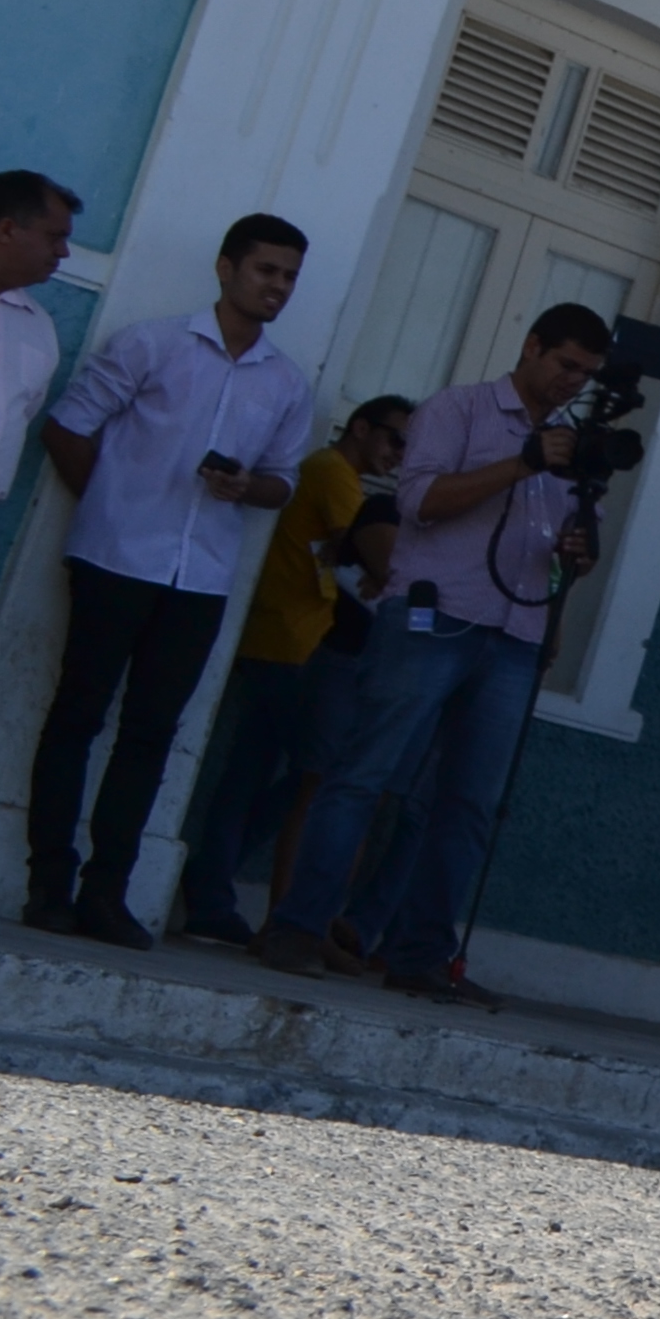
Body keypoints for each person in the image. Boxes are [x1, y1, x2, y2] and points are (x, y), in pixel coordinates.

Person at [261, 304, 608, 1002]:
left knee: (469, 802)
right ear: (532, 345)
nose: (574, 382)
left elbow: (565, 549)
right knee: (364, 773)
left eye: (588, 374)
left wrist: (579, 551)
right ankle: (297, 927)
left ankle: (420, 956)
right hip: (433, 617)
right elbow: (418, 501)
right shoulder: (459, 410)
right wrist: (521, 463)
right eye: (567, 364)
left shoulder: (572, 445)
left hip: (514, 635)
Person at [25, 215, 316, 947]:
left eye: (289, 276)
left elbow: (283, 483)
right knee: (76, 718)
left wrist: (247, 488)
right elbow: (66, 425)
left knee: (152, 736)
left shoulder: (285, 382)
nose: (277, 286)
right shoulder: (152, 343)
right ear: (226, 268)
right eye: (265, 271)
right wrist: (108, 509)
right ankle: (48, 886)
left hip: (201, 579)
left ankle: (106, 893)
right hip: (114, 560)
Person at [164, 396, 411, 951]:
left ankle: (210, 883)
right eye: (396, 440)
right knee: (307, 776)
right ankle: (211, 889)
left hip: (293, 633)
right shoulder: (332, 471)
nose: (401, 455)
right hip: (289, 636)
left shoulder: (331, 473)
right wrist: (374, 567)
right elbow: (370, 552)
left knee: (272, 770)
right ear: (363, 427)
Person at [0, 172, 80, 476]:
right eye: (54, 236)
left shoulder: (38, 329)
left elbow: (21, 413)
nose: (63, 252)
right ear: (7, 230)